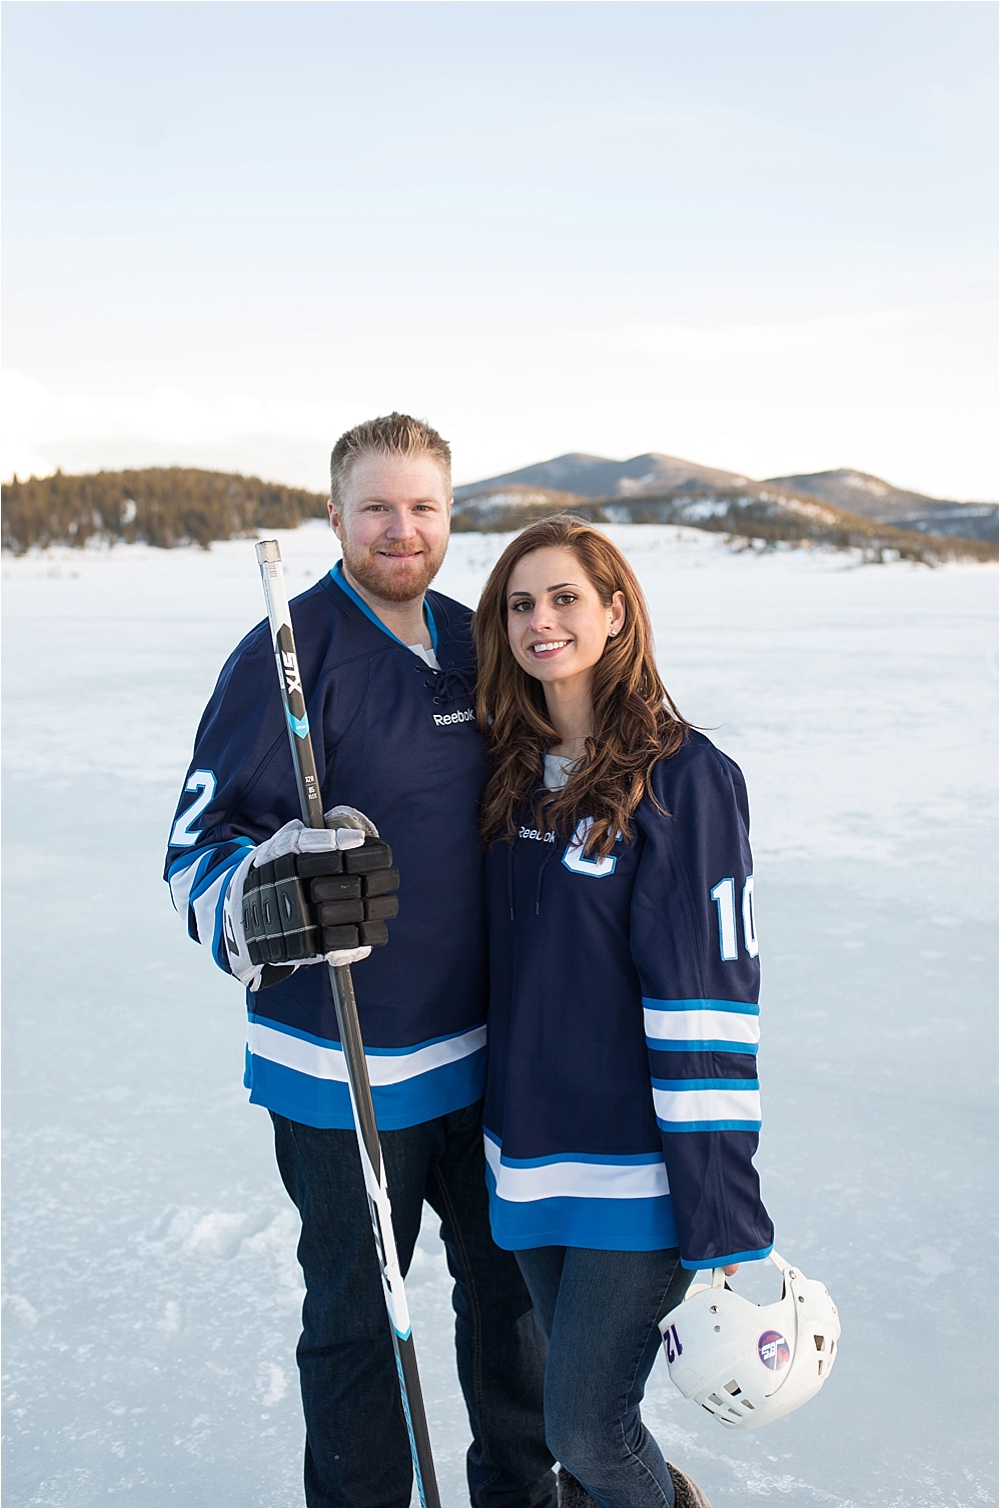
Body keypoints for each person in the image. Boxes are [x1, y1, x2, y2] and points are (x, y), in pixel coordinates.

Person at [164, 414, 555, 1509]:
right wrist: (264, 896)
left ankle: (520, 1494)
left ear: (450, 516)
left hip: (487, 1059)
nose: (401, 527)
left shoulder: (481, 638)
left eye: (422, 506)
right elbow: (193, 852)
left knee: (513, 1309)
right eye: (376, 507)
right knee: (356, 1325)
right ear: (333, 517)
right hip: (342, 1070)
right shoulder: (285, 653)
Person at [473, 516, 774, 1509]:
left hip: (636, 1172)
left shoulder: (685, 779)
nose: (540, 620)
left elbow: (709, 1000)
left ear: (614, 611)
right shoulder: (507, 776)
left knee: (587, 1431)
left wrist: (721, 1201)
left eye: (564, 598)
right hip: (528, 1159)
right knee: (582, 1429)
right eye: (521, 603)